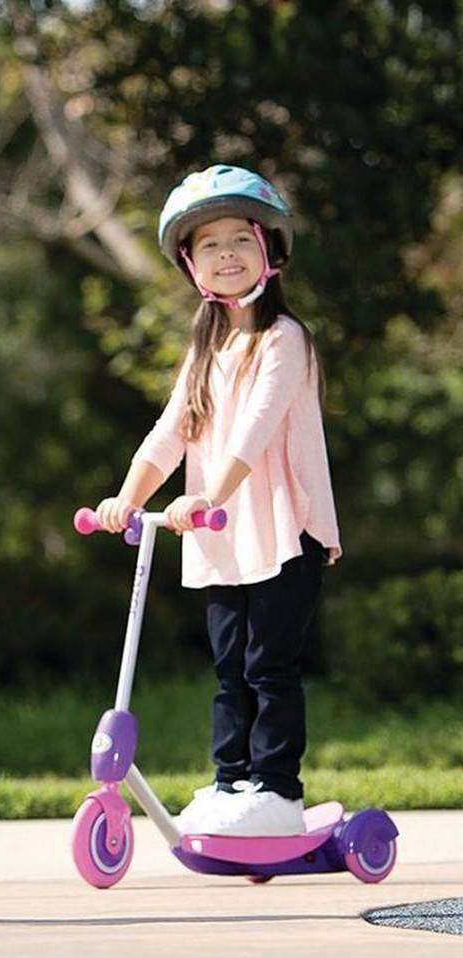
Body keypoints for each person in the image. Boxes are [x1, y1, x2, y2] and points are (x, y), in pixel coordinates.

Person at [93, 164, 340, 836]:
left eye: (239, 240)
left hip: (285, 528)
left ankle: (277, 793)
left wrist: (204, 495)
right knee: (230, 669)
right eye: (210, 245)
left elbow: (256, 430)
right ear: (191, 264)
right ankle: (231, 783)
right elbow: (170, 432)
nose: (226, 254)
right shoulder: (205, 350)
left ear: (268, 250)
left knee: (269, 666)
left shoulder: (284, 339)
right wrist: (126, 498)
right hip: (225, 535)